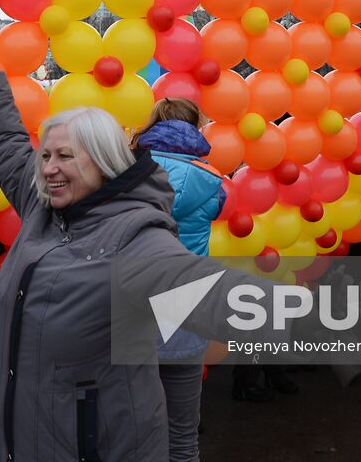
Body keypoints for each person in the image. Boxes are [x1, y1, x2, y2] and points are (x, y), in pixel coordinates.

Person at [0, 17, 361, 462]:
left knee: (182, 437)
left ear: (102, 163)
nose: (50, 167)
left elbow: (212, 290)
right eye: (46, 156)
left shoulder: (133, 235)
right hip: (14, 445)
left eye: (65, 156)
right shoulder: (41, 203)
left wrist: (323, 323)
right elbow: (4, 141)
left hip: (96, 447)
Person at [133, 98, 224, 462]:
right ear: (195, 126)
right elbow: (217, 210)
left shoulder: (128, 171)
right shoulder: (213, 179)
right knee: (183, 435)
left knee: (134, 427)